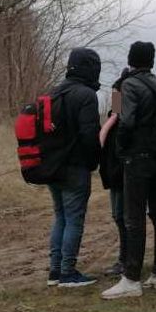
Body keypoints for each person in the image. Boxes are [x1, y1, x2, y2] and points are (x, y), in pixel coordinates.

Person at [102, 41, 156, 300]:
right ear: (151, 61)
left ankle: (131, 277)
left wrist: (120, 150)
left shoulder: (125, 86)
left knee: (134, 218)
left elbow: (123, 119)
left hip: (136, 158)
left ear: (131, 59)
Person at [43, 48, 103, 288]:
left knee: (60, 217)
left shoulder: (53, 93)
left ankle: (55, 270)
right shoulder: (87, 95)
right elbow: (90, 135)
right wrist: (93, 162)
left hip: (51, 167)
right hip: (75, 167)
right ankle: (68, 272)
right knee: (74, 219)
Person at [98, 67, 132, 278]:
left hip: (122, 175)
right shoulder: (114, 119)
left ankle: (127, 259)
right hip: (115, 175)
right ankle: (125, 258)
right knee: (119, 216)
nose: (113, 100)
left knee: (123, 217)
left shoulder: (123, 120)